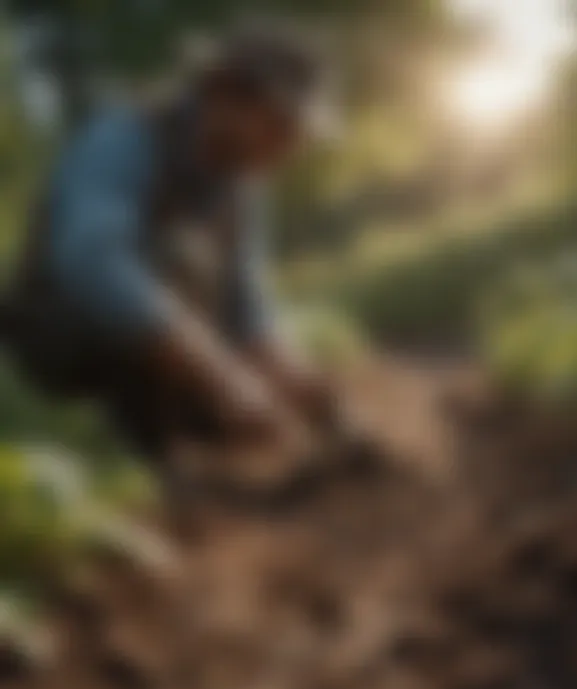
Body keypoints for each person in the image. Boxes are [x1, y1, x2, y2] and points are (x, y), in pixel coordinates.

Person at [4, 29, 341, 479]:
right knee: (177, 257)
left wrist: (302, 385)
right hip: (58, 333)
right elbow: (93, 263)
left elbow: (245, 299)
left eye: (298, 131)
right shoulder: (124, 136)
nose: (291, 145)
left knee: (238, 408)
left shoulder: (243, 183)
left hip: (150, 343)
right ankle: (138, 450)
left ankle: (179, 435)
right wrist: (222, 377)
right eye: (280, 123)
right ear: (222, 94)